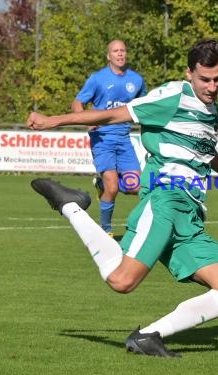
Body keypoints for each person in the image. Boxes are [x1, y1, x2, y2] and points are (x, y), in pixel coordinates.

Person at [27, 39, 218, 357]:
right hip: (166, 200)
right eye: (205, 79)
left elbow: (205, 150)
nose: (213, 86)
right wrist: (54, 121)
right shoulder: (173, 96)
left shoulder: (211, 108)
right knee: (122, 281)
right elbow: (114, 115)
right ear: (190, 73)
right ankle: (70, 205)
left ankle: (148, 336)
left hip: (192, 215)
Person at [72, 39, 147, 236]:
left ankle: (101, 185)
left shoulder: (137, 80)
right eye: (115, 51)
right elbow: (77, 103)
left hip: (124, 139)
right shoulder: (98, 79)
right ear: (108, 56)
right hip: (102, 138)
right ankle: (105, 230)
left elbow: (144, 105)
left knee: (135, 186)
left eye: (123, 50)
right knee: (113, 187)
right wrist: (86, 121)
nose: (120, 54)